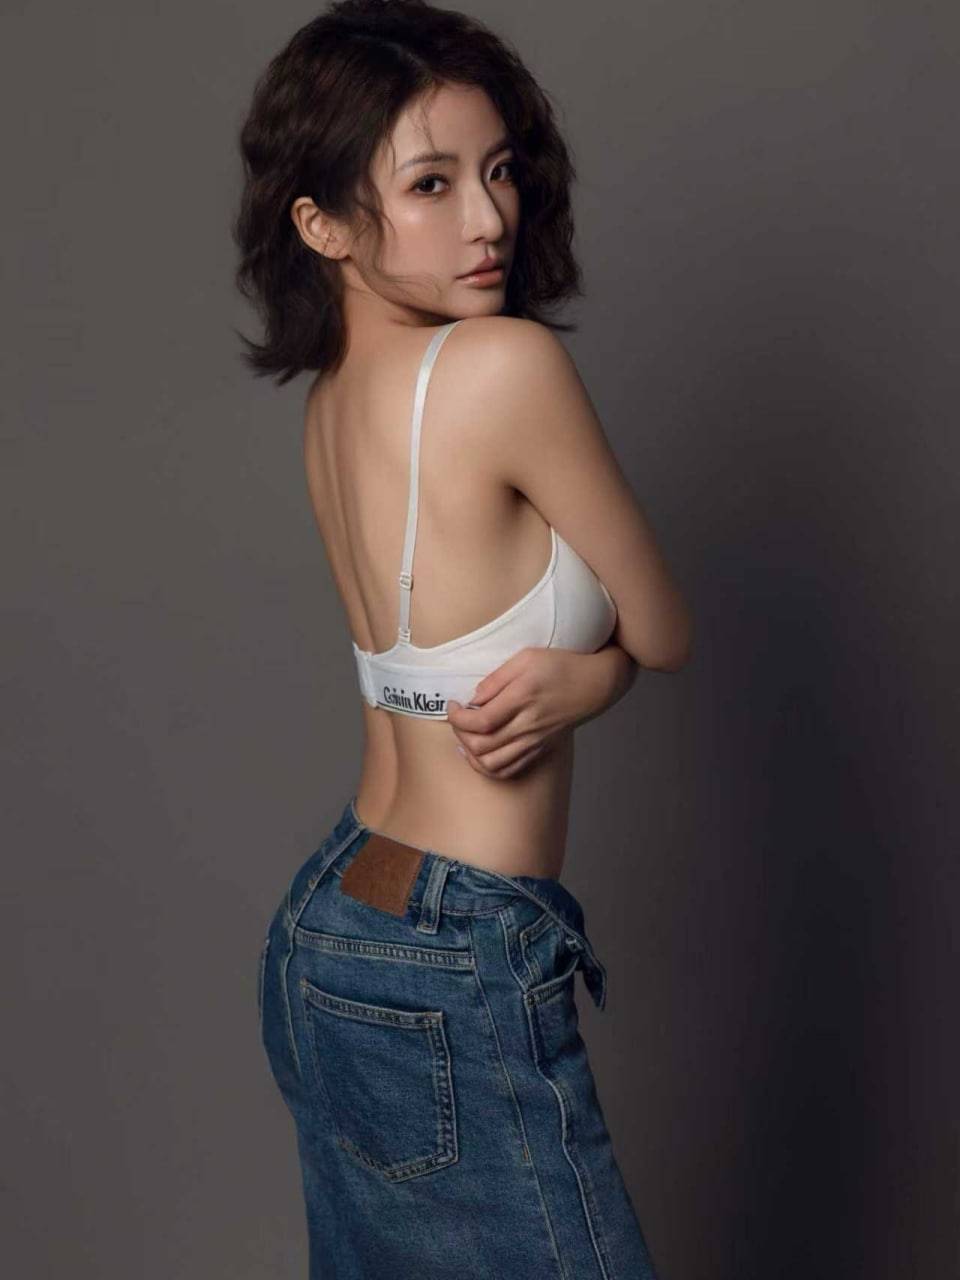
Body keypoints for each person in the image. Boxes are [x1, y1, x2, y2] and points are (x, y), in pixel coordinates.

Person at [235, 2, 691, 1275]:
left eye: (499, 171)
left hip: (335, 921)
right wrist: (594, 673)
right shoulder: (502, 368)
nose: (490, 217)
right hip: (452, 948)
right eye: (430, 184)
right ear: (322, 224)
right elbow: (664, 627)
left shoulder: (333, 402)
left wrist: (577, 679)